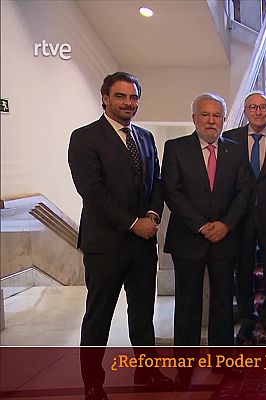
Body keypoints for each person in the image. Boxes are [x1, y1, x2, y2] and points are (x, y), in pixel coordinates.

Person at [68, 72, 172, 400]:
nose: (129, 103)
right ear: (105, 98)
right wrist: (132, 223)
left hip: (142, 246)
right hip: (106, 246)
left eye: (134, 97)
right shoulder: (85, 137)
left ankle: (147, 372)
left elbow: (157, 182)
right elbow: (93, 192)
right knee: (99, 317)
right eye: (121, 96)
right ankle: (93, 383)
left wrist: (153, 215)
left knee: (143, 315)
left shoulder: (144, 137)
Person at [162, 93, 251, 389]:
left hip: (225, 239)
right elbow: (172, 192)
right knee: (187, 305)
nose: (211, 121)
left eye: (217, 116)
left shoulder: (237, 151)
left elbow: (244, 192)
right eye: (205, 115)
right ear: (194, 118)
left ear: (224, 120)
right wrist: (202, 225)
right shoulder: (175, 148)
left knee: (224, 303)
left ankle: (222, 361)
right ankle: (184, 368)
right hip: (189, 239)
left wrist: (225, 224)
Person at [223, 92, 266, 345]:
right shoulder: (230, 138)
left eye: (264, 107)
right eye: (253, 107)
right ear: (245, 110)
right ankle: (247, 318)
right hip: (239, 217)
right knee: (243, 270)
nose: (259, 112)